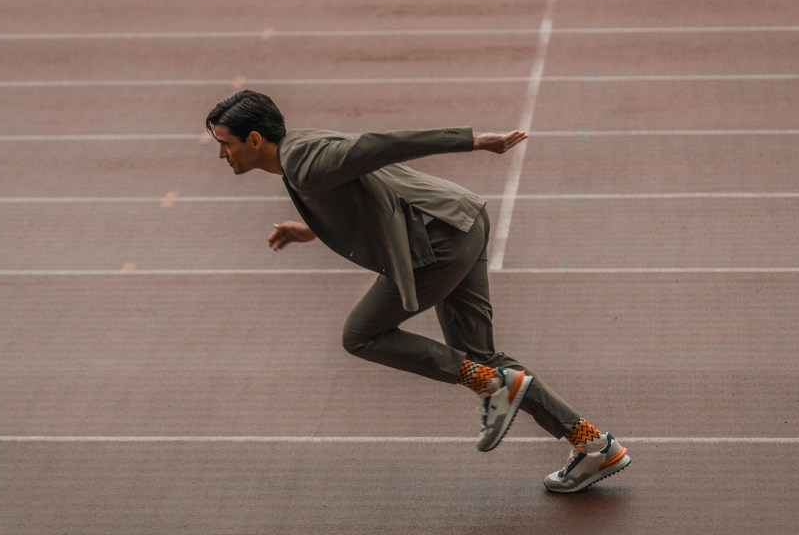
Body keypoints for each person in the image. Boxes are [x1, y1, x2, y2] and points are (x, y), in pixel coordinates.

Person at [205, 90, 630, 493]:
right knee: (479, 353)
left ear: (255, 139)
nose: (222, 154)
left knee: (361, 336)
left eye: (224, 144)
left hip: (438, 241)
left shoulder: (305, 162)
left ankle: (492, 383)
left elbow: (385, 145)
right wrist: (312, 229)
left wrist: (475, 141)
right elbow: (362, 183)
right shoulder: (300, 147)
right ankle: (594, 445)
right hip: (460, 218)